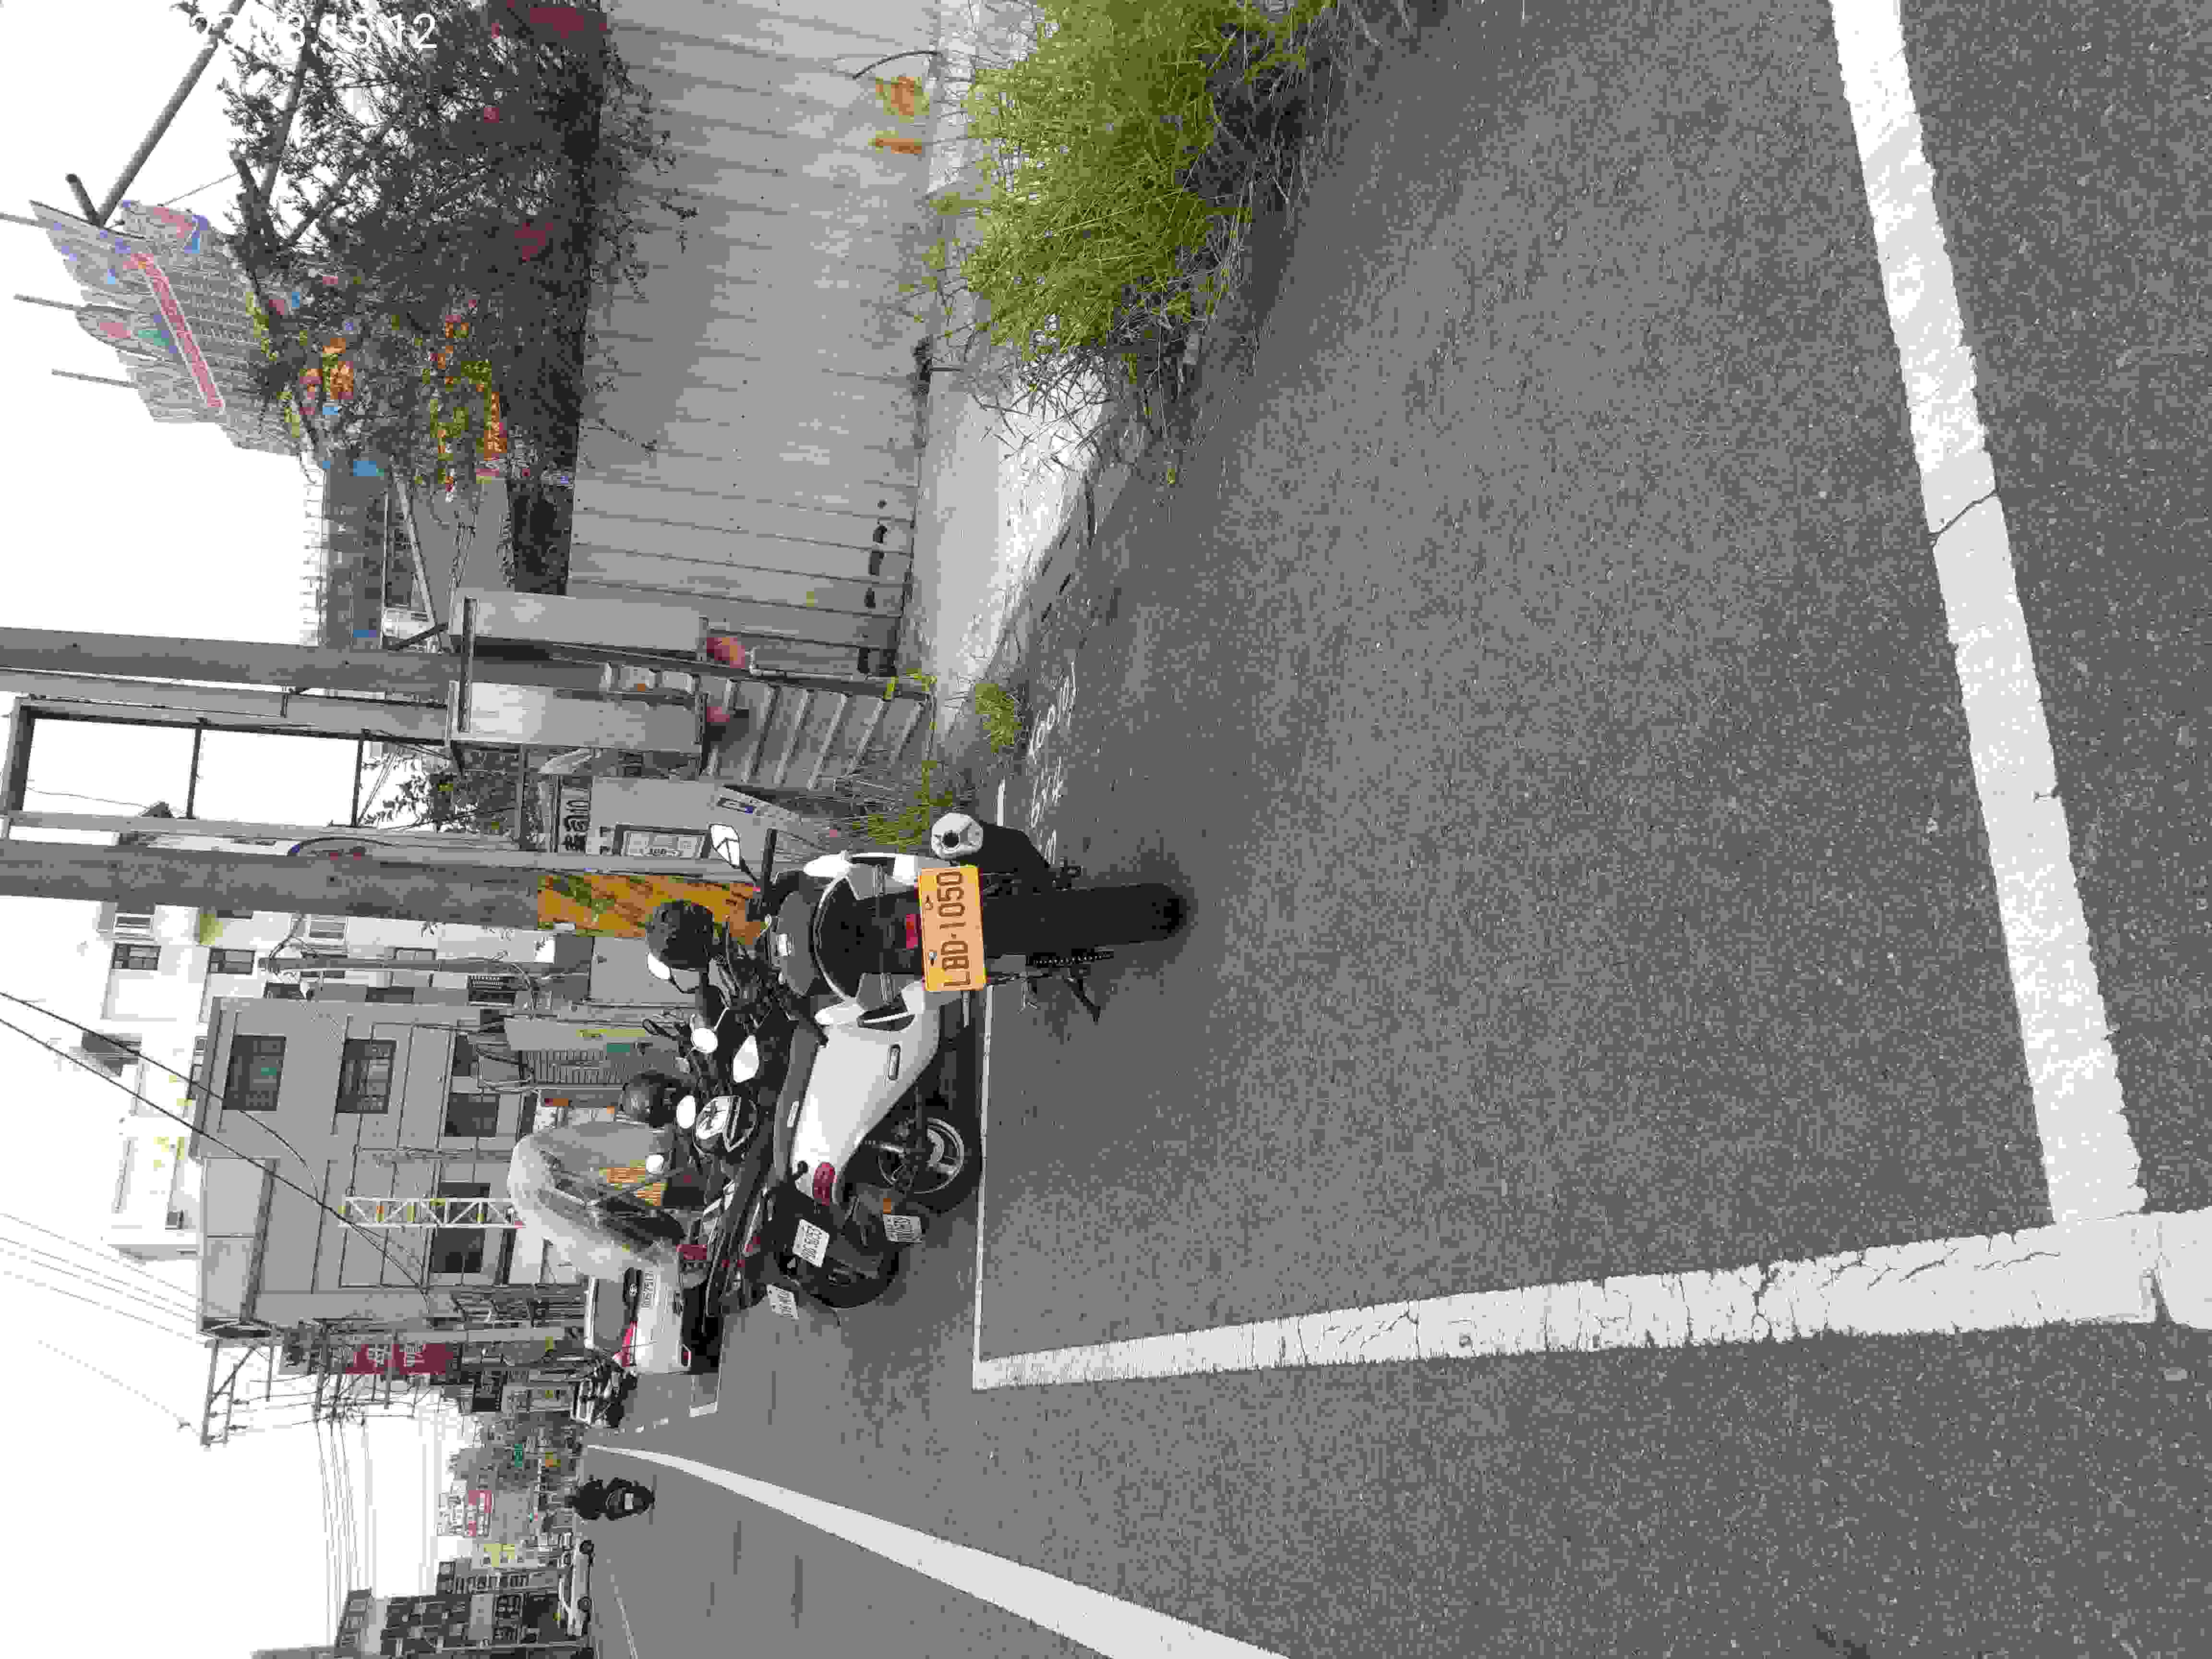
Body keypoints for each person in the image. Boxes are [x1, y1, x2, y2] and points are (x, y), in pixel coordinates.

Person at [567, 1476, 653, 1521]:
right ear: (572, 1496)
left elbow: (596, 1517)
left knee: (612, 1517)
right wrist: (597, 1483)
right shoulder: (582, 1491)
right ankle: (633, 1487)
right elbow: (596, 1484)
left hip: (608, 1508)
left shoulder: (581, 1512)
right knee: (616, 1481)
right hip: (608, 1494)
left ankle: (634, 1511)